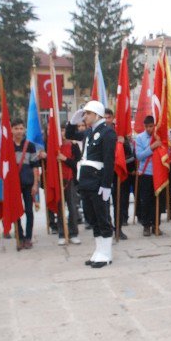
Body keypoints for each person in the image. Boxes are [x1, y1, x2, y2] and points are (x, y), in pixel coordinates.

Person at [66, 100, 116, 268]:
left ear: (96, 115)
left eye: (87, 113)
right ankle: (98, 251)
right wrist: (72, 122)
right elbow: (70, 135)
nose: (85, 117)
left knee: (102, 218)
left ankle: (106, 254)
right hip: (86, 181)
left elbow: (109, 161)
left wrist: (106, 185)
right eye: (84, 114)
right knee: (92, 218)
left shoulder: (108, 133)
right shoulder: (88, 132)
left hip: (98, 180)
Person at [11, 119, 40, 249]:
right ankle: (20, 236)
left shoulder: (30, 145)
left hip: (28, 183)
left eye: (21, 128)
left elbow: (35, 166)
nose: (19, 131)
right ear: (11, 129)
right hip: (14, 185)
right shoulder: (7, 145)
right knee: (16, 212)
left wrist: (35, 184)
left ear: (24, 130)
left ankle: (28, 238)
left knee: (29, 211)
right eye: (16, 128)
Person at [104, 108, 131, 240]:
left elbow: (130, 155)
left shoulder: (120, 133)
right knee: (104, 202)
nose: (107, 120)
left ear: (113, 118)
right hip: (103, 173)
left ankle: (118, 229)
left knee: (118, 201)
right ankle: (107, 227)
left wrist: (123, 142)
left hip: (117, 173)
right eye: (104, 117)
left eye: (109, 117)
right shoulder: (99, 133)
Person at [56, 128, 82, 245]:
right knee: (60, 207)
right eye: (60, 131)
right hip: (58, 179)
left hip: (70, 180)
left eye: (65, 131)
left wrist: (65, 159)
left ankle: (73, 233)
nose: (63, 133)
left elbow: (78, 164)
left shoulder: (74, 146)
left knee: (72, 206)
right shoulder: (55, 146)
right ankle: (62, 233)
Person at [135, 115, 159, 236]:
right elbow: (139, 156)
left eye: (151, 126)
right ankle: (146, 226)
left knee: (157, 201)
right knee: (145, 201)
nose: (150, 129)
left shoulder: (159, 136)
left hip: (158, 173)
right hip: (145, 173)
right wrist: (152, 147)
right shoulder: (139, 138)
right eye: (147, 126)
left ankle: (156, 224)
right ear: (144, 126)